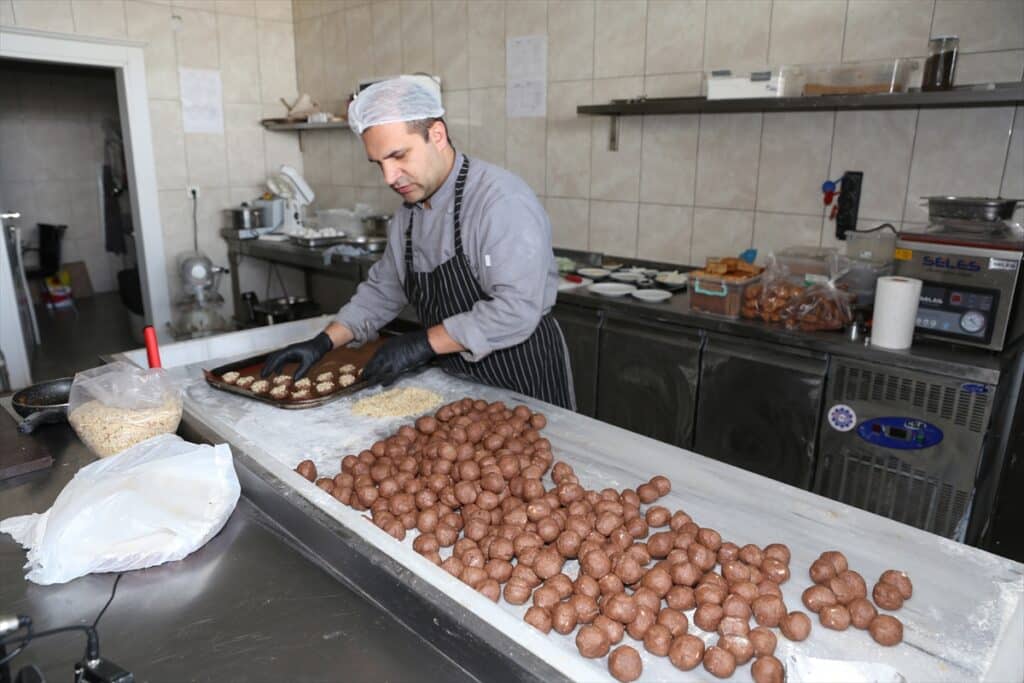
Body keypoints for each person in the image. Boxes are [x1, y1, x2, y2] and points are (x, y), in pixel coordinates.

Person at [262, 76, 574, 409]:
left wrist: (423, 343)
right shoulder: (409, 215)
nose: (389, 177)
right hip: (459, 382)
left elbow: (515, 310)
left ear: (436, 135)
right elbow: (384, 291)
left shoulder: (499, 202)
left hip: (523, 379)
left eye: (399, 156)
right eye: (379, 164)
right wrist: (324, 342)